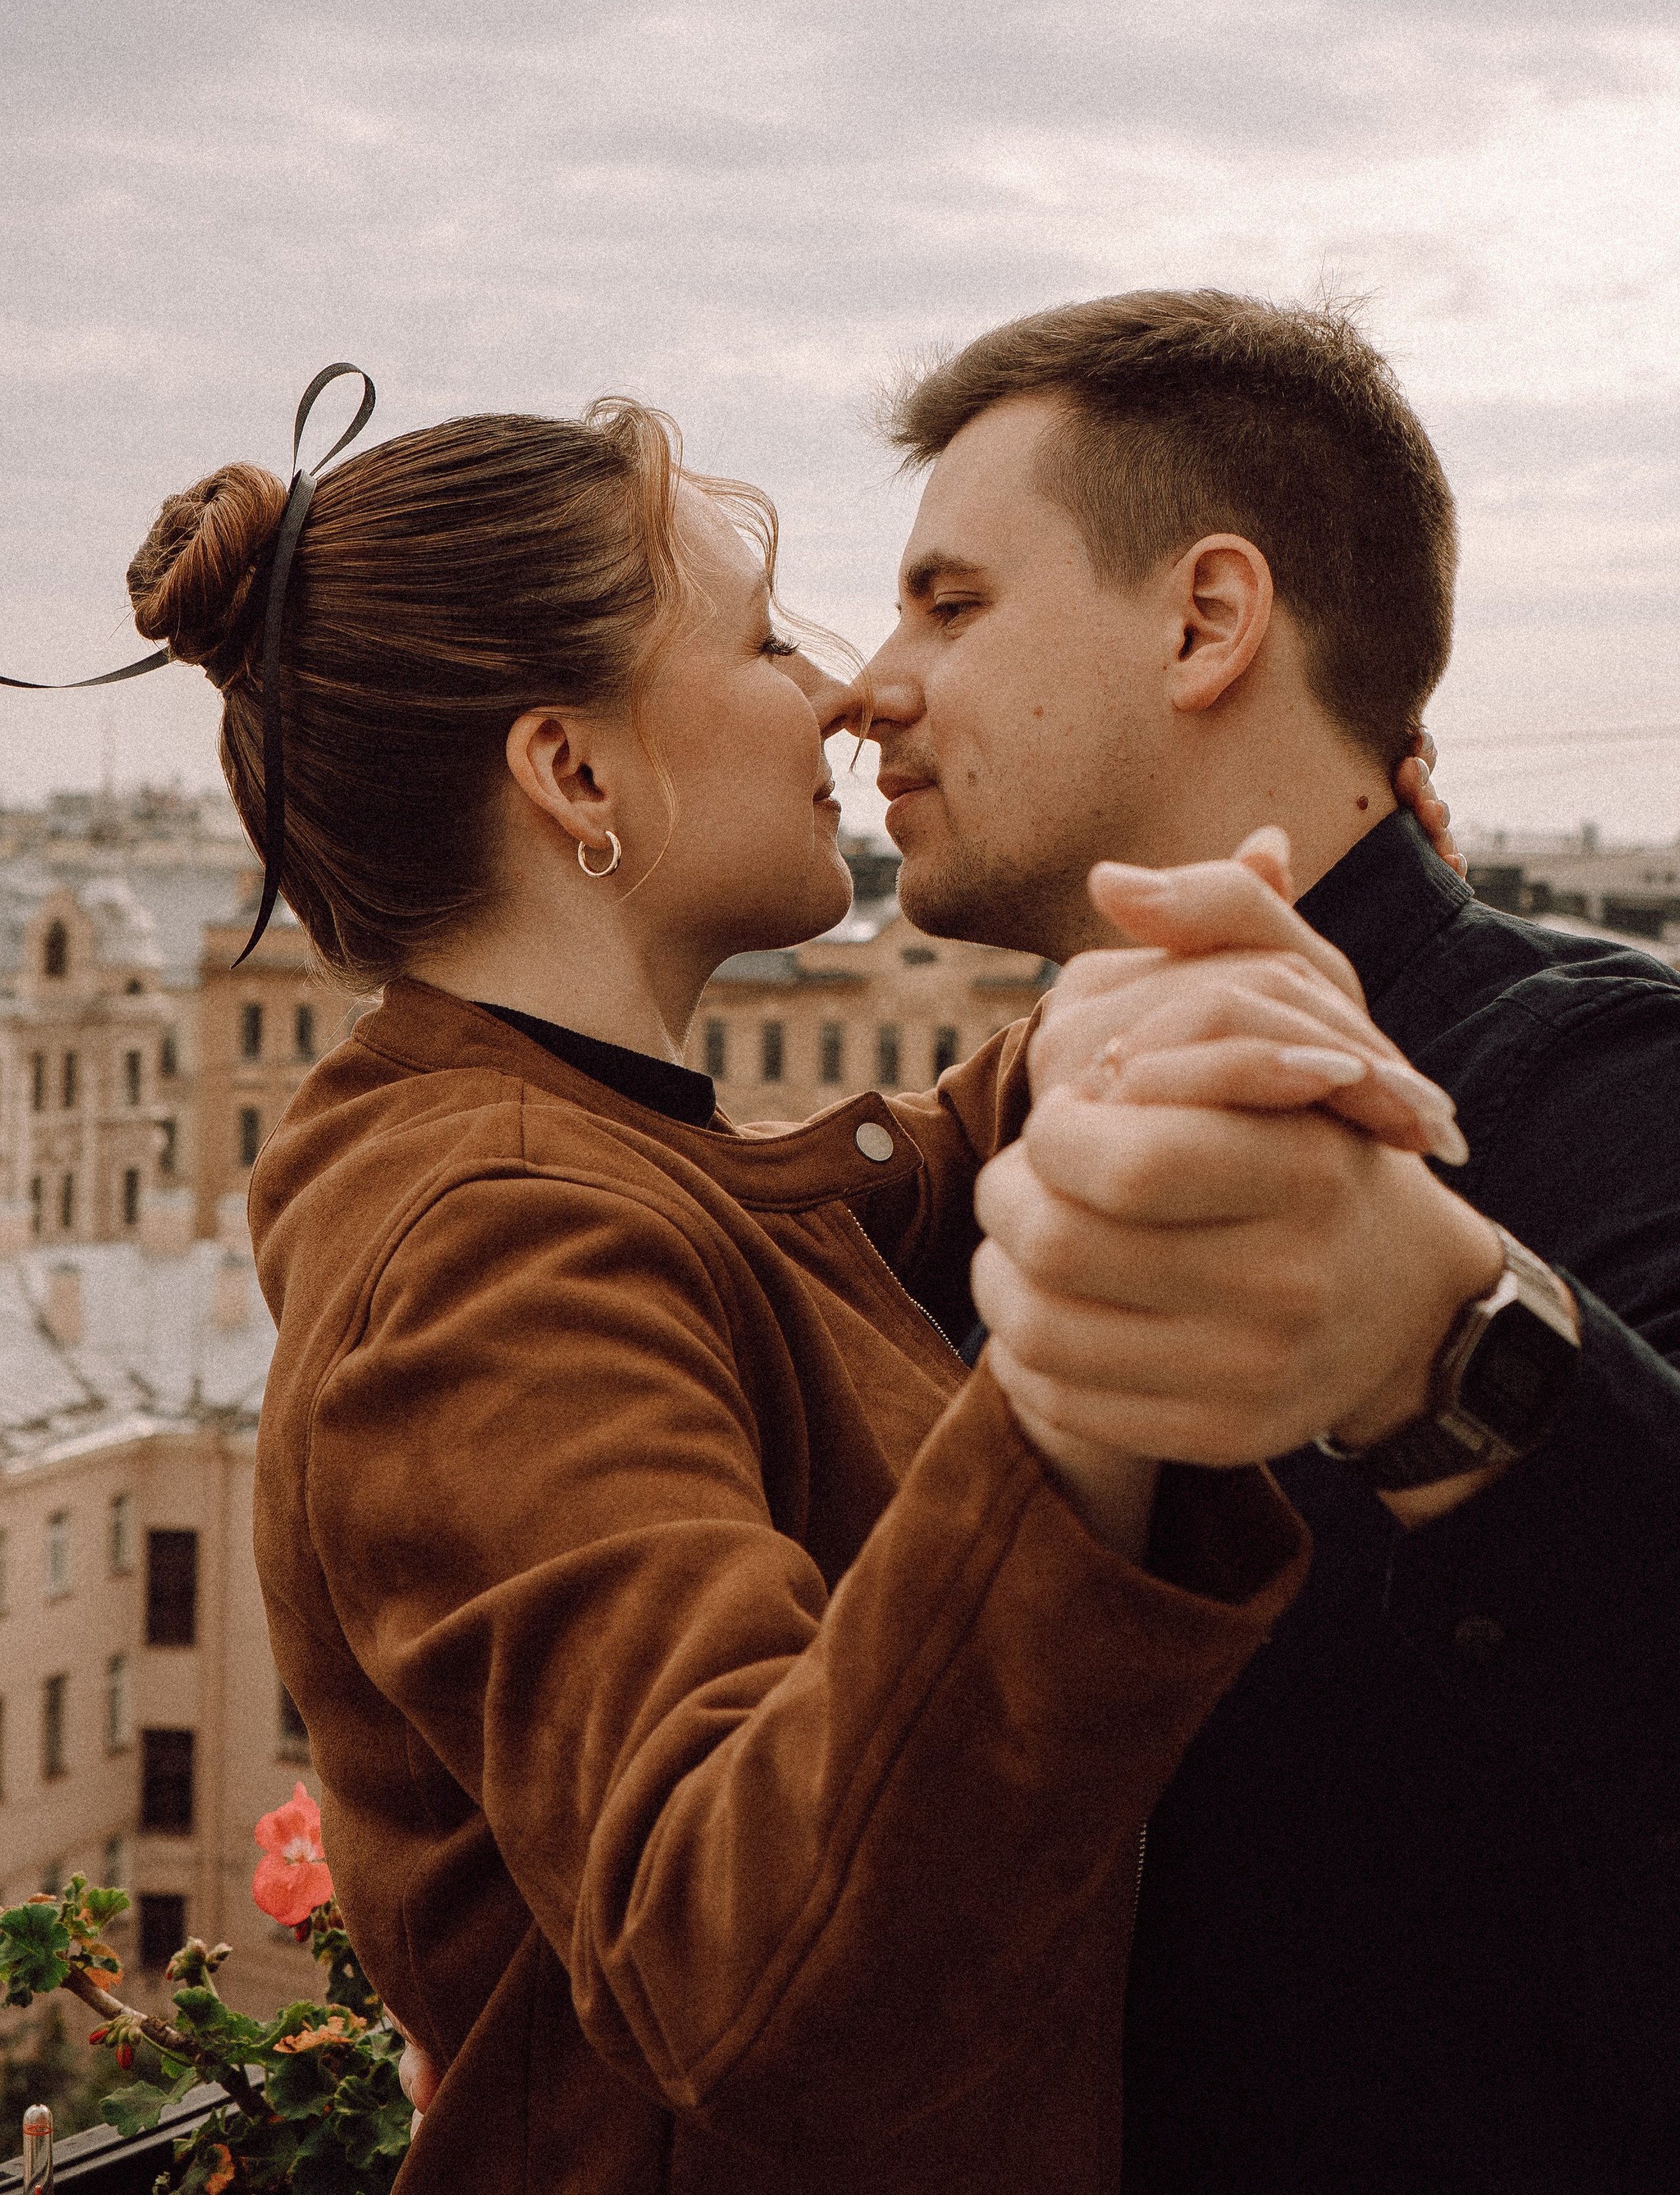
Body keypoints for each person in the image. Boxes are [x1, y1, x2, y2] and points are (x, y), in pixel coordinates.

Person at [123, 392, 1464, 2194]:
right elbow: (755, 1976)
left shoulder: (591, 1159)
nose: (838, 691)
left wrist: (1275, 900)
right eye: (760, 643)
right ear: (574, 777)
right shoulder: (491, 1244)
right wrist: (1078, 1375)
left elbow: (845, 1209)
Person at [857, 288, 1680, 2195]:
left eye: (949, 602)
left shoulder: (1590, 1078)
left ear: (1208, 620)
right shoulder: (998, 1156)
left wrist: (1445, 1342)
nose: (870, 683)